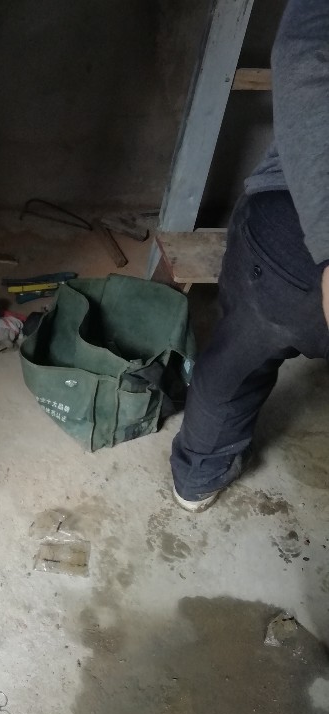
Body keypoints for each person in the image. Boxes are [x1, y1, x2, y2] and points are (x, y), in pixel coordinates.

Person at [170, 0, 329, 512]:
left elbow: (307, 51)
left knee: (239, 359)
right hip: (300, 252)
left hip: (294, 247)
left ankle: (198, 474)